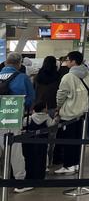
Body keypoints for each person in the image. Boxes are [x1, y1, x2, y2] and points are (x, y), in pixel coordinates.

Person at [55, 51, 89, 174]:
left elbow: (61, 94)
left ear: (73, 61)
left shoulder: (68, 77)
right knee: (78, 139)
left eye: (68, 60)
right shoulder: (88, 75)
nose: (66, 62)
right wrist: (85, 99)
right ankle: (76, 163)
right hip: (83, 112)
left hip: (69, 113)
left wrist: (58, 107)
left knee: (68, 140)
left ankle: (68, 165)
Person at [0, 52, 35, 193]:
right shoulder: (22, 77)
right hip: (11, 116)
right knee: (15, 150)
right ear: (19, 63)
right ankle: (20, 182)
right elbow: (30, 99)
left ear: (6, 62)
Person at [23, 102, 56, 182]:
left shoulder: (30, 118)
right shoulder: (47, 118)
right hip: (43, 140)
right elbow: (52, 126)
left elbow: (23, 124)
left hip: (30, 141)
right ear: (44, 109)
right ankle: (42, 172)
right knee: (42, 156)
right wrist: (55, 119)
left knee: (31, 157)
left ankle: (31, 173)